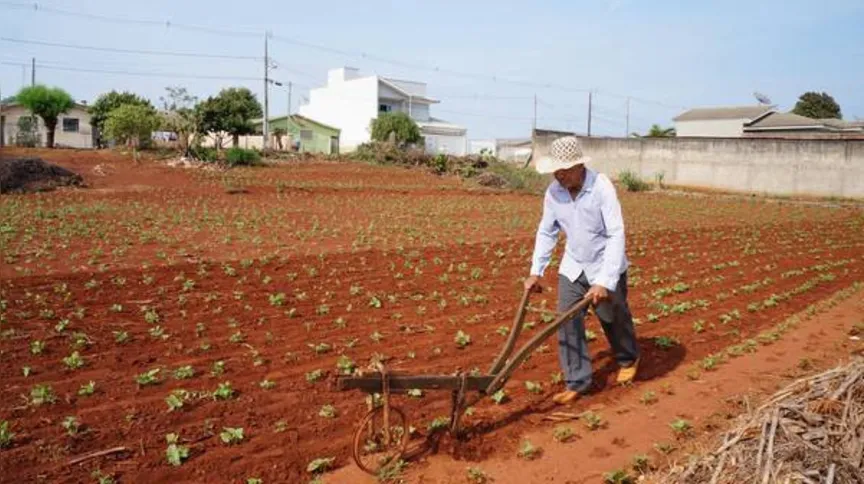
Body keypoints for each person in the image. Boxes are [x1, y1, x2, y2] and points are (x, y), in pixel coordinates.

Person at [524, 136, 640, 404]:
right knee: (565, 320)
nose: (559, 176)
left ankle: (628, 358)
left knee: (612, 317)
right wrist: (536, 270)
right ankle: (577, 380)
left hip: (604, 264)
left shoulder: (601, 187)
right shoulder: (554, 192)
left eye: (564, 172)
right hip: (574, 266)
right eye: (556, 171)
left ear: (579, 167)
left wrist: (605, 281)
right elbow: (547, 230)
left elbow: (616, 232)